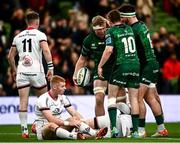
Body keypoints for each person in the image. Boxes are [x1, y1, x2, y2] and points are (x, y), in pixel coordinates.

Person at [118, 4, 168, 137]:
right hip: (152, 63)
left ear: (127, 16)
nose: (121, 20)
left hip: (146, 65)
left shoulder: (132, 30)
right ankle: (161, 128)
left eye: (122, 17)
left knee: (137, 98)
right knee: (150, 98)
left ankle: (140, 130)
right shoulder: (142, 25)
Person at [8, 11, 54, 138]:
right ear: (37, 22)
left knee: (23, 101)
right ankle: (41, 125)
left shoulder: (18, 36)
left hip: (22, 71)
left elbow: (10, 56)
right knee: (44, 100)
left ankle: (24, 130)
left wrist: (14, 70)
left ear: (26, 22)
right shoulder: (40, 34)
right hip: (36, 72)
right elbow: (45, 50)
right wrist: (50, 67)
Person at [98, 9, 140, 138]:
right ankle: (136, 132)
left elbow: (109, 50)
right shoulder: (129, 28)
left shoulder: (110, 31)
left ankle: (114, 129)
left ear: (109, 21)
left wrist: (100, 65)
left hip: (122, 65)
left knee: (111, 96)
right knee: (133, 99)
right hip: (135, 64)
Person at [34, 75, 108, 140]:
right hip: (44, 132)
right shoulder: (43, 99)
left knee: (74, 118)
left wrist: (82, 121)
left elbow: (74, 112)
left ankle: (96, 134)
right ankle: (75, 136)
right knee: (51, 125)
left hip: (59, 129)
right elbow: (51, 119)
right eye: (62, 86)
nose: (65, 88)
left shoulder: (63, 97)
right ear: (54, 87)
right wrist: (69, 123)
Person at [73, 15, 115, 116]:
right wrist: (75, 74)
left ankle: (124, 126)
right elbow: (82, 59)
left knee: (118, 101)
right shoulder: (89, 40)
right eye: (97, 29)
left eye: (102, 29)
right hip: (99, 71)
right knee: (99, 99)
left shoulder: (113, 33)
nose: (100, 31)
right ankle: (101, 128)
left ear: (106, 26)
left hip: (115, 69)